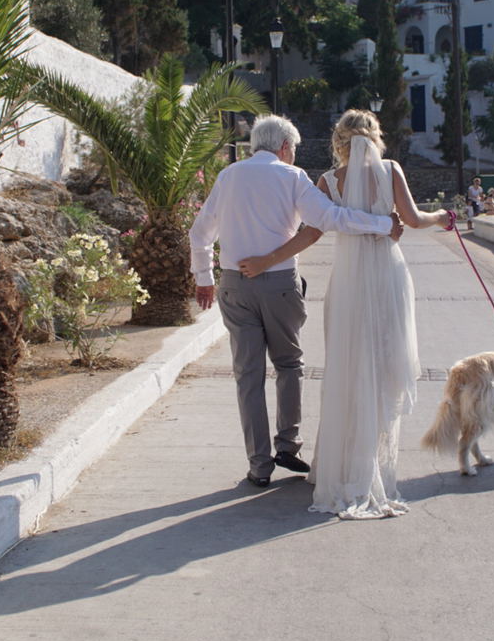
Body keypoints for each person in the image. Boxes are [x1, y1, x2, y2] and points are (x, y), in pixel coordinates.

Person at [240, 110, 452, 519]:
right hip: (387, 276)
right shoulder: (391, 170)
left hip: (350, 282)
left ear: (339, 140)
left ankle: (340, 466)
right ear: (374, 137)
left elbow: (310, 232)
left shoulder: (327, 181)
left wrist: (267, 260)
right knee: (383, 366)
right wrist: (442, 218)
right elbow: (412, 220)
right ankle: (368, 466)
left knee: (348, 366)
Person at [189, 114, 403, 489]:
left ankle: (259, 465)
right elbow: (330, 218)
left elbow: (200, 233)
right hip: (279, 286)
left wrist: (204, 279)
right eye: (294, 150)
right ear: (285, 147)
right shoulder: (292, 177)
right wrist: (384, 225)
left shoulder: (228, 176)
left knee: (247, 375)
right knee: (289, 364)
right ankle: (287, 445)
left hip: (233, 285)